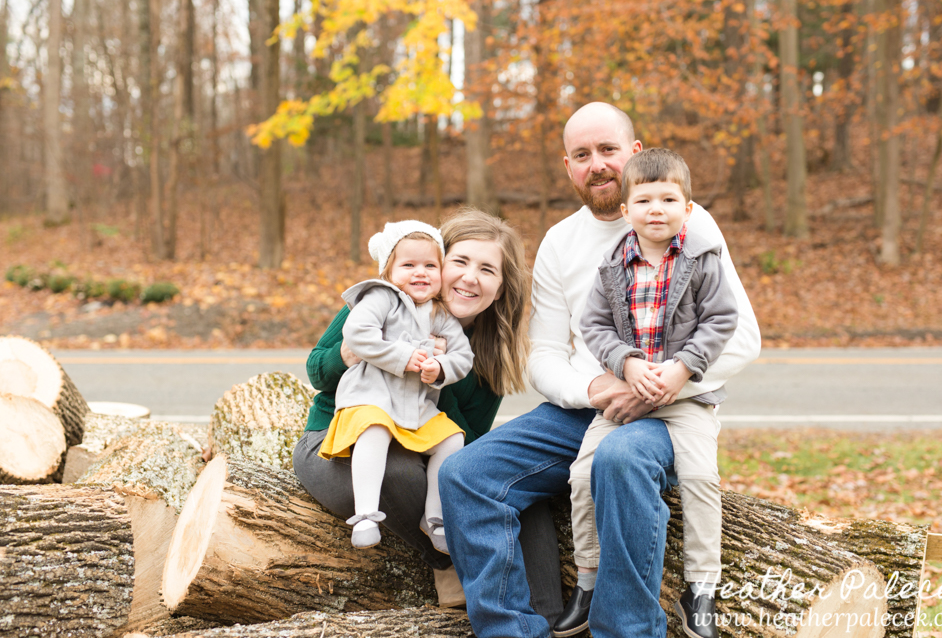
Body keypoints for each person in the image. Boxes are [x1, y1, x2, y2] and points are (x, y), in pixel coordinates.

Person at [439, 102, 761, 638]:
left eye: (608, 150)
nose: (598, 165)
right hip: (590, 406)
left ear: (633, 153)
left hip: (670, 411)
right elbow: (541, 356)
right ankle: (512, 629)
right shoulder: (561, 242)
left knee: (617, 456)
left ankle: (627, 629)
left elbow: (741, 337)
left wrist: (663, 383)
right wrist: (596, 386)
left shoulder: (686, 220)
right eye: (582, 156)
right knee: (466, 474)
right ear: (569, 167)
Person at [293, 209, 561, 611]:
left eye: (488, 269)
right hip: (339, 443)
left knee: (522, 492)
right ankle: (446, 562)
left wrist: (439, 374)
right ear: (436, 261)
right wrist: (355, 352)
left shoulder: (485, 355)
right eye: (460, 261)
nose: (470, 277)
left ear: (502, 288)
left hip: (422, 446)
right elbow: (316, 370)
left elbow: (467, 443)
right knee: (398, 469)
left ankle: (551, 615)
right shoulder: (385, 300)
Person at [554, 148, 739, 638]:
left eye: (668, 199)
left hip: (686, 401)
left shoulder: (702, 258)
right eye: (644, 200)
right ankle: (589, 579)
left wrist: (683, 369)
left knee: (700, 479)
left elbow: (723, 320)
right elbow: (591, 324)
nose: (656, 209)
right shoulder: (612, 266)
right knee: (581, 475)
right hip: (627, 396)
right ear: (625, 209)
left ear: (688, 207)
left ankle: (701, 587)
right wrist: (626, 361)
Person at [315, 220, 474, 550]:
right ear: (388, 270)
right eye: (409, 265)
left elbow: (463, 356)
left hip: (416, 408)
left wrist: (440, 367)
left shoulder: (439, 313)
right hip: (370, 398)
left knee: (452, 439)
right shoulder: (381, 298)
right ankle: (366, 515)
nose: (421, 273)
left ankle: (434, 517)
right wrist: (403, 355)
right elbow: (358, 334)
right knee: (374, 429)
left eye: (431, 265)